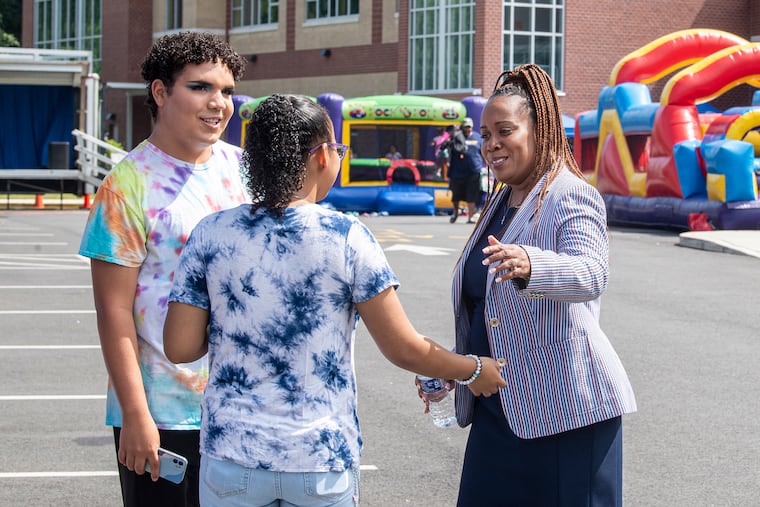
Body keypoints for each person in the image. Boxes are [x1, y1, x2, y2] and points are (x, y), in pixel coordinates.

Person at [162, 94, 507, 507]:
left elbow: (180, 348)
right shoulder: (346, 236)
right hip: (319, 459)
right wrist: (472, 369)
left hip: (232, 456)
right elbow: (403, 348)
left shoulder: (212, 233)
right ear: (322, 156)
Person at [428, 64, 637, 506]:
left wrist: (531, 264)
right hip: (497, 410)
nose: (491, 145)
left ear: (540, 130)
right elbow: (490, 310)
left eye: (504, 130)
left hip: (566, 417)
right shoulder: (501, 200)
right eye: (485, 135)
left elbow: (592, 273)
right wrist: (455, 367)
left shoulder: (570, 194)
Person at [78, 31, 250, 507]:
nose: (218, 103)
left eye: (227, 91)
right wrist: (135, 415)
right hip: (164, 416)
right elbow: (114, 313)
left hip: (246, 410)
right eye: (201, 87)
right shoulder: (126, 185)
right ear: (160, 92)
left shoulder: (246, 170)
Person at [446, 117, 484, 224]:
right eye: (465, 127)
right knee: (456, 194)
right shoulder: (457, 137)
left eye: (469, 127)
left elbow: (483, 152)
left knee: (472, 194)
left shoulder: (478, 137)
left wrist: (487, 165)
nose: (467, 129)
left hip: (474, 170)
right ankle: (455, 213)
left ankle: (471, 216)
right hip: (457, 172)